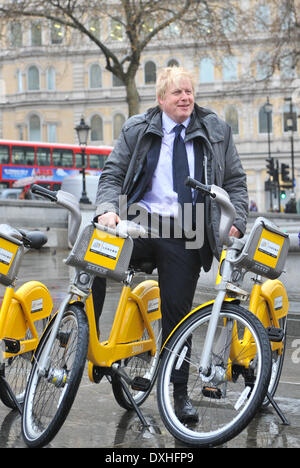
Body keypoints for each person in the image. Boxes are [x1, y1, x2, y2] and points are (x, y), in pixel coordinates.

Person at [92, 66, 248, 422]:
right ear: (161, 99)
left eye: (189, 91)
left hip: (187, 230)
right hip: (139, 222)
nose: (185, 98)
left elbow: (236, 182)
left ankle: (178, 393)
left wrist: (237, 220)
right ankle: (86, 336)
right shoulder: (137, 127)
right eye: (177, 92)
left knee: (178, 316)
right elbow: (113, 174)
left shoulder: (216, 130)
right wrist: (105, 211)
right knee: (94, 252)